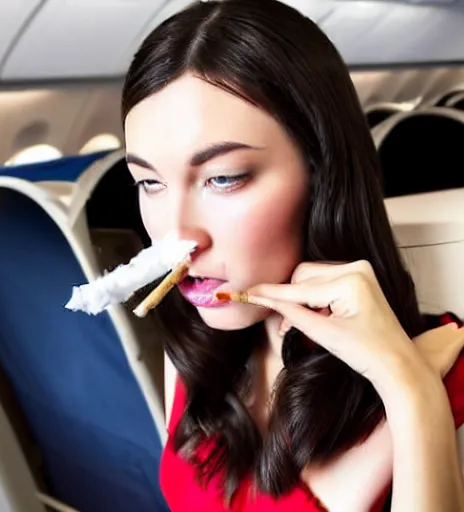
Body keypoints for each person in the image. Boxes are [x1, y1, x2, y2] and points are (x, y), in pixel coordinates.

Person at [121, 0, 464, 510]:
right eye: (149, 182)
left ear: (322, 173)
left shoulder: (445, 370)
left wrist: (410, 390)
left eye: (223, 178)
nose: (177, 238)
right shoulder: (193, 346)